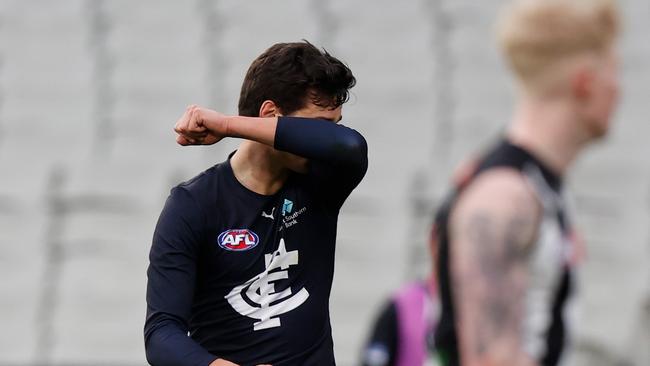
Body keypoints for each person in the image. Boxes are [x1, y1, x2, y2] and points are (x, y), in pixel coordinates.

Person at [144, 41, 367, 366]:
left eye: (335, 124)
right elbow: (162, 336)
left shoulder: (324, 181)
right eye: (319, 126)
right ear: (270, 115)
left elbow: (350, 145)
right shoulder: (193, 204)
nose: (326, 141)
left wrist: (228, 125)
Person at [432, 1, 621, 365]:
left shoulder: (536, 185)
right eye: (614, 72)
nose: (618, 89)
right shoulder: (505, 197)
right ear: (585, 81)